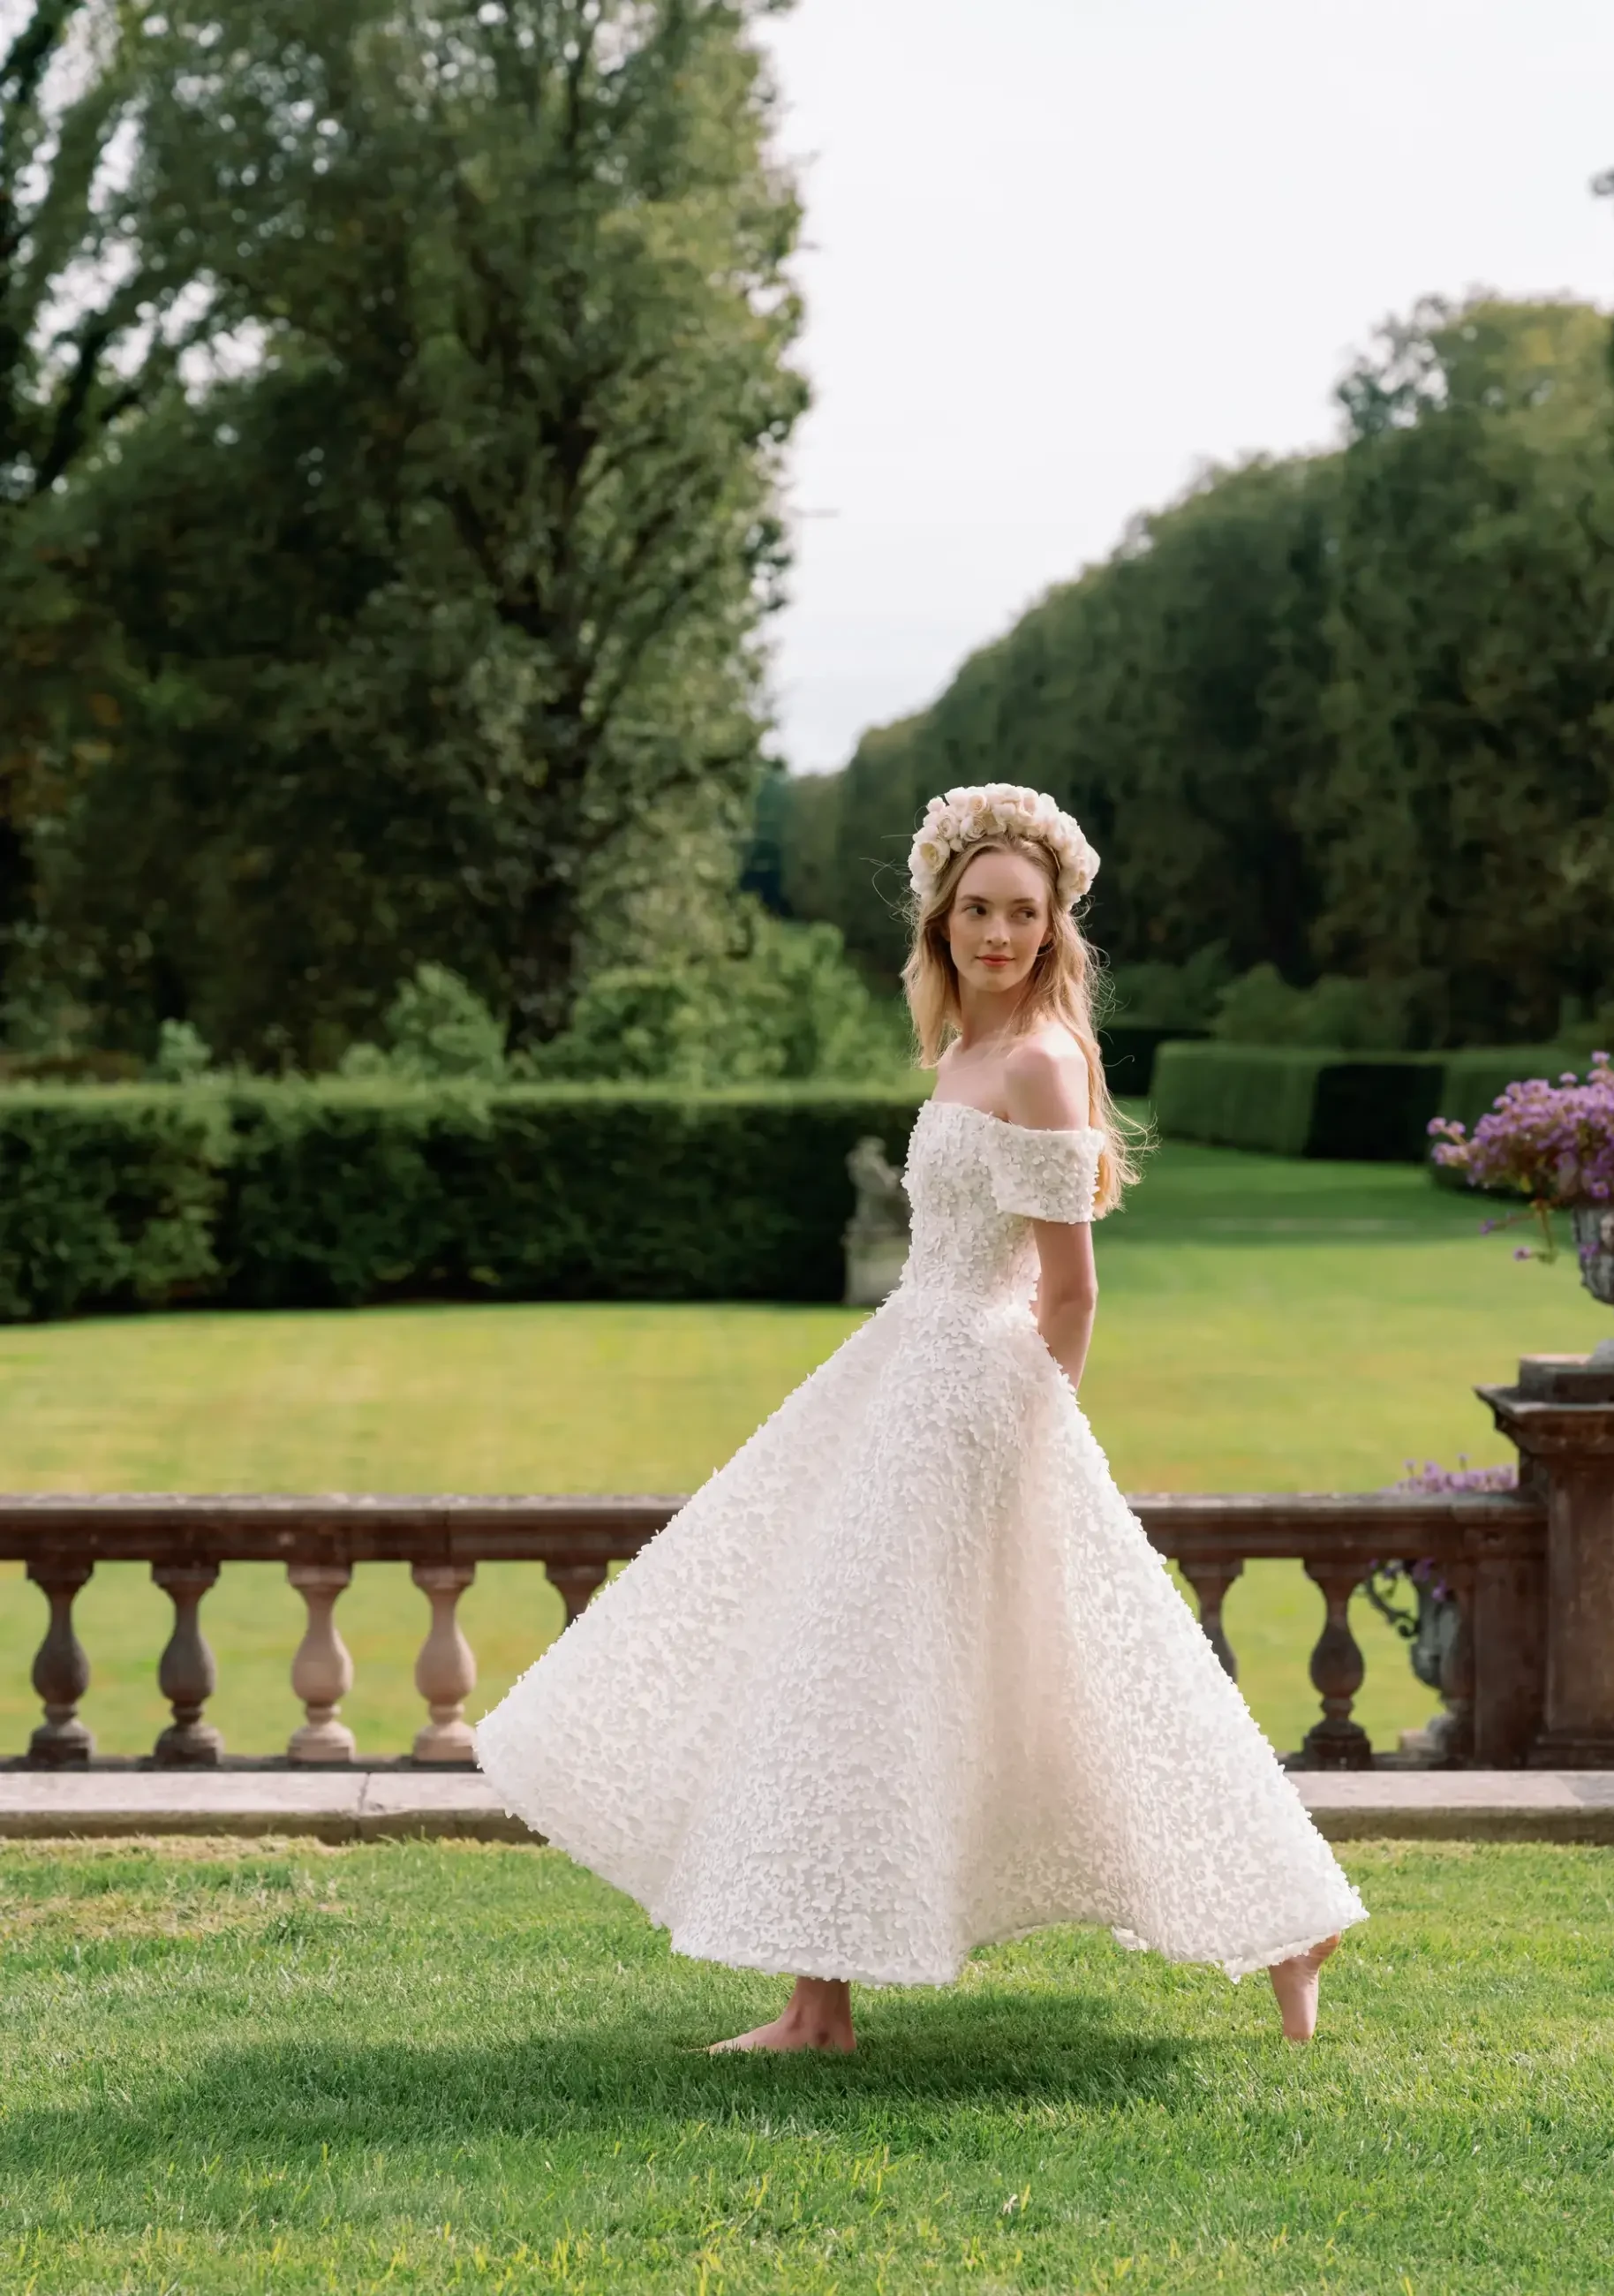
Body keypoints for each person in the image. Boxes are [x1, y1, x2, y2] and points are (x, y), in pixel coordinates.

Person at [474, 783, 1367, 2052]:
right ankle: (817, 2004)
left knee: (1055, 1684)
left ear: (1055, 928)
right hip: (903, 1372)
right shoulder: (960, 1053)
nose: (998, 933)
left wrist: (1028, 1442)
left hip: (975, 1406)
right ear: (941, 922)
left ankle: (1286, 1920)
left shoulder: (1046, 1063)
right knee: (852, 1669)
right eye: (977, 911)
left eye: (1023, 914)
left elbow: (1072, 1288)